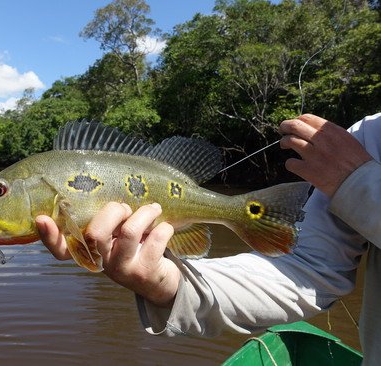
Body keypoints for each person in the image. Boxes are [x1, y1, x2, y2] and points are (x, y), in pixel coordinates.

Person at [35, 113, 381, 364]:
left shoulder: (352, 156)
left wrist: (362, 186)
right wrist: (166, 283)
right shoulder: (365, 139)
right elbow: (310, 271)